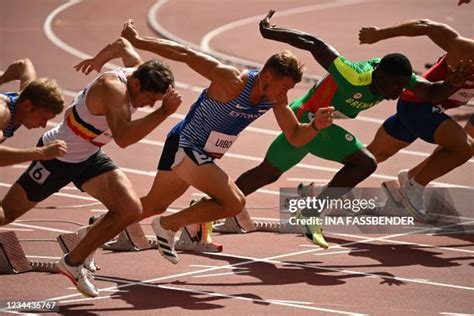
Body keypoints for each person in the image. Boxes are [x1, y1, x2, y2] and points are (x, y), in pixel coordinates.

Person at [226, 10, 472, 249]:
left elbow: (432, 92)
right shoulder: (353, 76)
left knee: (268, 172)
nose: (399, 92)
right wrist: (272, 33)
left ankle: (216, 206)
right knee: (365, 163)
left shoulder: (402, 78)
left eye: (402, 86)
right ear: (379, 76)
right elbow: (314, 43)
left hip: (316, 120)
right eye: (395, 87)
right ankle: (310, 214)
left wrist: (453, 83)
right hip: (308, 118)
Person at [120, 19, 334, 264]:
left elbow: (295, 137)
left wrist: (316, 125)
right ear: (268, 76)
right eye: (284, 86)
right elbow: (186, 53)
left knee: (154, 204)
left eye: (290, 89)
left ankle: (90, 234)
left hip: (201, 153)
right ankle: (167, 225)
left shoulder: (275, 100)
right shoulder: (232, 80)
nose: (285, 94)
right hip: (185, 143)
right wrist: (138, 41)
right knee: (234, 203)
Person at [0, 37, 182, 297]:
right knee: (6, 214)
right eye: (149, 99)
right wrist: (163, 113)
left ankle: (73, 263)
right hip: (57, 156)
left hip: (88, 156)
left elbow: (122, 45)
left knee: (130, 209)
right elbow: (124, 138)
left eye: (155, 102)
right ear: (136, 83)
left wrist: (99, 59)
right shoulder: (113, 87)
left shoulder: (139, 72)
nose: (149, 105)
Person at [359, 19, 473, 221]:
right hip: (418, 105)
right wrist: (379, 33)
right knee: (464, 148)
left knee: (372, 155)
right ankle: (414, 187)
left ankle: (324, 194)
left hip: (418, 108)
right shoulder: (466, 51)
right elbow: (426, 26)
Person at [0, 58, 66, 168]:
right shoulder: (3, 114)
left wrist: (2, 79)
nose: (44, 125)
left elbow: (23, 64)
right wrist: (42, 153)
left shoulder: (28, 94)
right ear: (27, 106)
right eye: (43, 118)